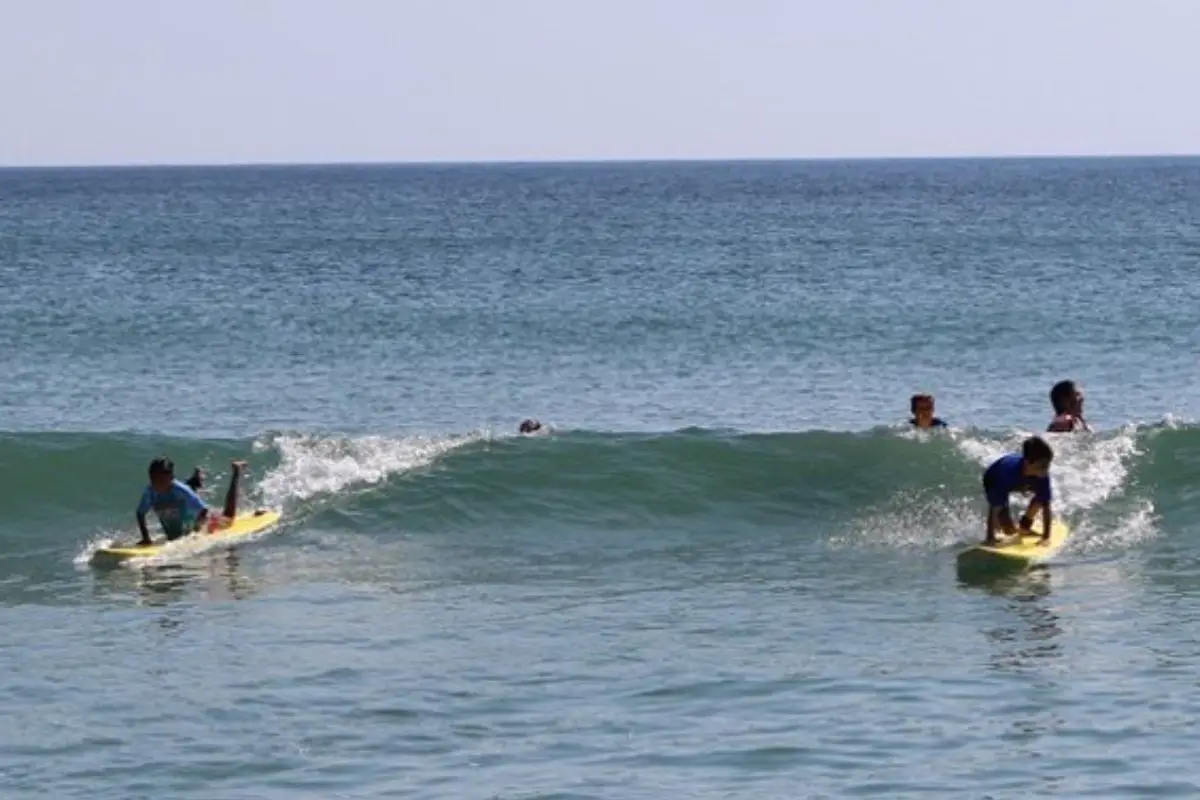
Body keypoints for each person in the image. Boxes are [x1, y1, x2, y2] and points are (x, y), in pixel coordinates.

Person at [136, 458, 246, 546]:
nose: (157, 484)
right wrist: (146, 538)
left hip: (203, 520)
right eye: (153, 480)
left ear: (171, 478)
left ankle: (236, 472)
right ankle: (194, 482)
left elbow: (203, 511)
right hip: (178, 530)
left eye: (161, 481)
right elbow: (140, 513)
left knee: (228, 517)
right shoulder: (149, 492)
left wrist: (198, 534)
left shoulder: (181, 490)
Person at [981, 436, 1054, 546]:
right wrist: (990, 537)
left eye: (1048, 464)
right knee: (1008, 531)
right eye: (1042, 465)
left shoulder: (1042, 474)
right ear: (1027, 462)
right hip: (994, 478)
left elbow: (1046, 505)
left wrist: (1046, 537)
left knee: (1042, 498)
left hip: (1023, 479)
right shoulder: (1007, 473)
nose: (1046, 469)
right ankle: (997, 528)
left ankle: (1025, 526)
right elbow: (994, 507)